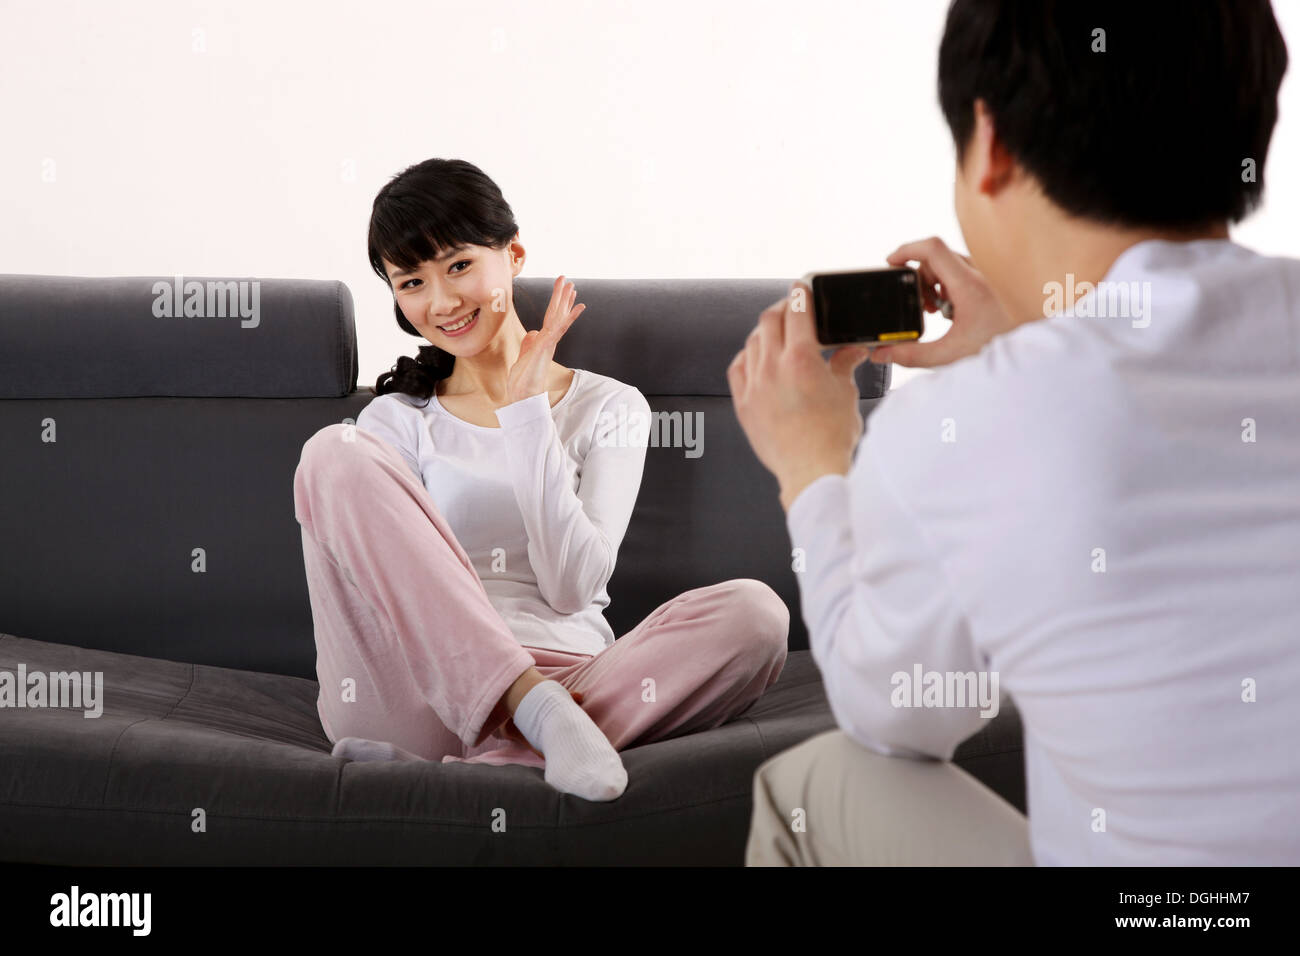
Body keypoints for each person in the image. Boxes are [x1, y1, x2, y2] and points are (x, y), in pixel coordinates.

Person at [736, 0, 1298, 864]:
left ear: (990, 143)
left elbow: (902, 717)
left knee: (814, 784)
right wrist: (1023, 348)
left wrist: (812, 470)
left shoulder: (958, 430)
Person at [293, 158, 788, 802]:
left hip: (577, 674)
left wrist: (527, 416)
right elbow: (382, 586)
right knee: (333, 450)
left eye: (459, 265)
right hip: (416, 694)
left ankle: (495, 756)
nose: (440, 302)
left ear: (513, 254)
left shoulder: (610, 407)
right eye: (411, 281)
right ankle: (535, 716)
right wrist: (530, 697)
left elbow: (571, 587)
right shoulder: (399, 419)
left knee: (756, 614)